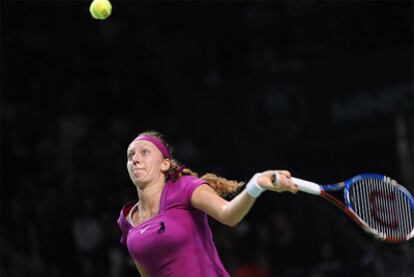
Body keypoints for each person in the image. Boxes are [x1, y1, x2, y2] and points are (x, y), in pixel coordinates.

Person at [117, 131, 298, 277]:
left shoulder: (185, 188)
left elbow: (229, 215)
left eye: (145, 152)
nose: (135, 158)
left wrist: (256, 184)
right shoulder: (127, 220)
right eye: (130, 155)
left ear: (165, 164)